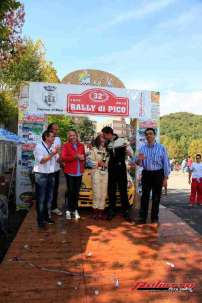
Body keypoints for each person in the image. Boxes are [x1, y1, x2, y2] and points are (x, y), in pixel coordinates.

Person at [135, 128, 170, 224]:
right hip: (146, 174)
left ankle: (154, 217)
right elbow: (138, 163)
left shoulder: (161, 147)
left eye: (150, 134)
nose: (148, 136)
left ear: (154, 135)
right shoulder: (142, 148)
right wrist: (139, 160)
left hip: (158, 174)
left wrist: (165, 178)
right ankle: (142, 217)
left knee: (156, 197)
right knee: (144, 196)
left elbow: (166, 163)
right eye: (146, 134)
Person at [101, 126, 132, 221]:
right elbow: (105, 156)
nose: (103, 136)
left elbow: (131, 152)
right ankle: (112, 210)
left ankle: (126, 210)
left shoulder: (122, 140)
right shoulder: (106, 143)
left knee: (123, 189)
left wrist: (128, 150)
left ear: (108, 133)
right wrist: (104, 164)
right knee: (111, 189)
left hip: (121, 167)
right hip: (111, 168)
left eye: (104, 134)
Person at [33, 130, 60, 228]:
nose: (54, 138)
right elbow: (42, 161)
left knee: (49, 198)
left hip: (51, 175)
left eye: (54, 137)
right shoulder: (39, 147)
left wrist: (60, 154)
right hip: (41, 175)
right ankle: (40, 221)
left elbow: (58, 159)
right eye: (52, 136)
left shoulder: (52, 147)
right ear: (46, 137)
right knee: (41, 199)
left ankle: (46, 217)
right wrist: (53, 154)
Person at [61, 130, 85, 220]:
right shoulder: (66, 145)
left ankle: (75, 210)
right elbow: (63, 158)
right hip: (70, 172)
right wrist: (75, 157)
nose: (72, 137)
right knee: (71, 192)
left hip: (79, 173)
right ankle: (68, 210)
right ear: (68, 137)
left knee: (76, 192)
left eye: (74, 135)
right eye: (70, 136)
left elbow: (83, 157)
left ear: (76, 135)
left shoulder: (81, 145)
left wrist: (82, 159)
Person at [88, 134, 109, 219]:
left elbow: (110, 162)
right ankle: (95, 211)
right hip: (96, 172)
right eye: (102, 137)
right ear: (98, 139)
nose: (103, 139)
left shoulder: (108, 150)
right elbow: (88, 162)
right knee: (97, 193)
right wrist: (98, 163)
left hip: (105, 173)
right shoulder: (93, 150)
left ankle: (101, 212)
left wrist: (107, 164)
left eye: (104, 138)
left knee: (103, 193)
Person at [47, 123, 62, 216]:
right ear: (50, 129)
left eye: (57, 129)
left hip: (56, 168)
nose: (56, 131)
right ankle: (44, 208)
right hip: (46, 169)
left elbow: (59, 152)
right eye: (54, 129)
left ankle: (54, 207)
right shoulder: (44, 138)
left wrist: (60, 159)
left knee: (55, 189)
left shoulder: (58, 139)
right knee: (45, 189)